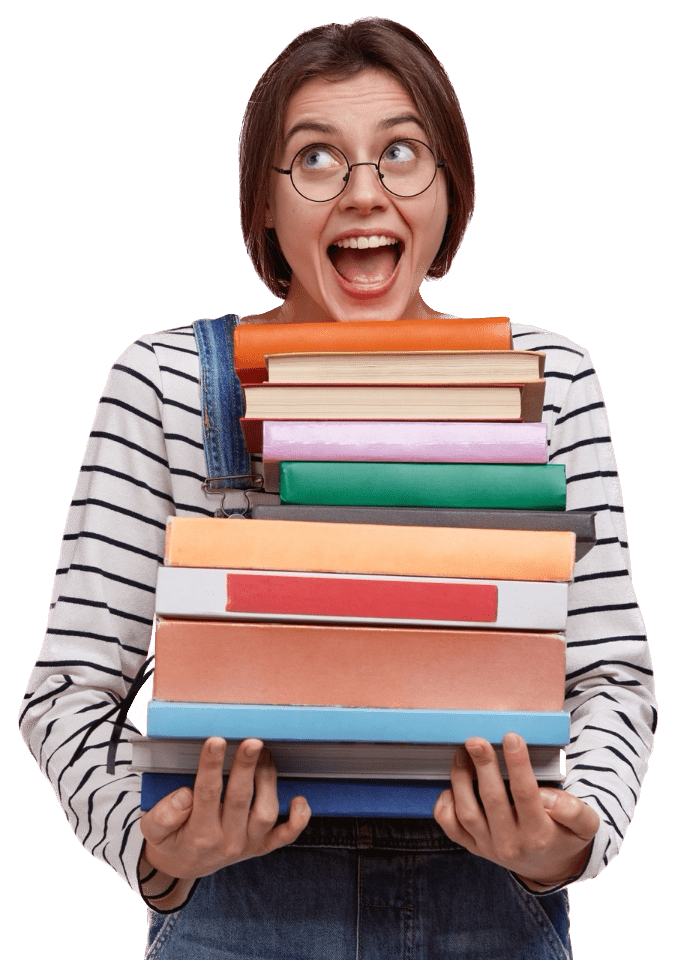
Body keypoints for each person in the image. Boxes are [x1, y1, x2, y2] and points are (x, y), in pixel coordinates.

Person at [19, 18, 655, 960]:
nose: (364, 192)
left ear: (448, 190)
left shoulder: (548, 376)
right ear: (265, 208)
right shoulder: (165, 384)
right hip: (233, 914)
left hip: (491, 912)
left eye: (401, 153)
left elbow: (609, 674)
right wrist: (159, 852)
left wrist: (570, 835)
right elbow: (67, 692)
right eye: (315, 158)